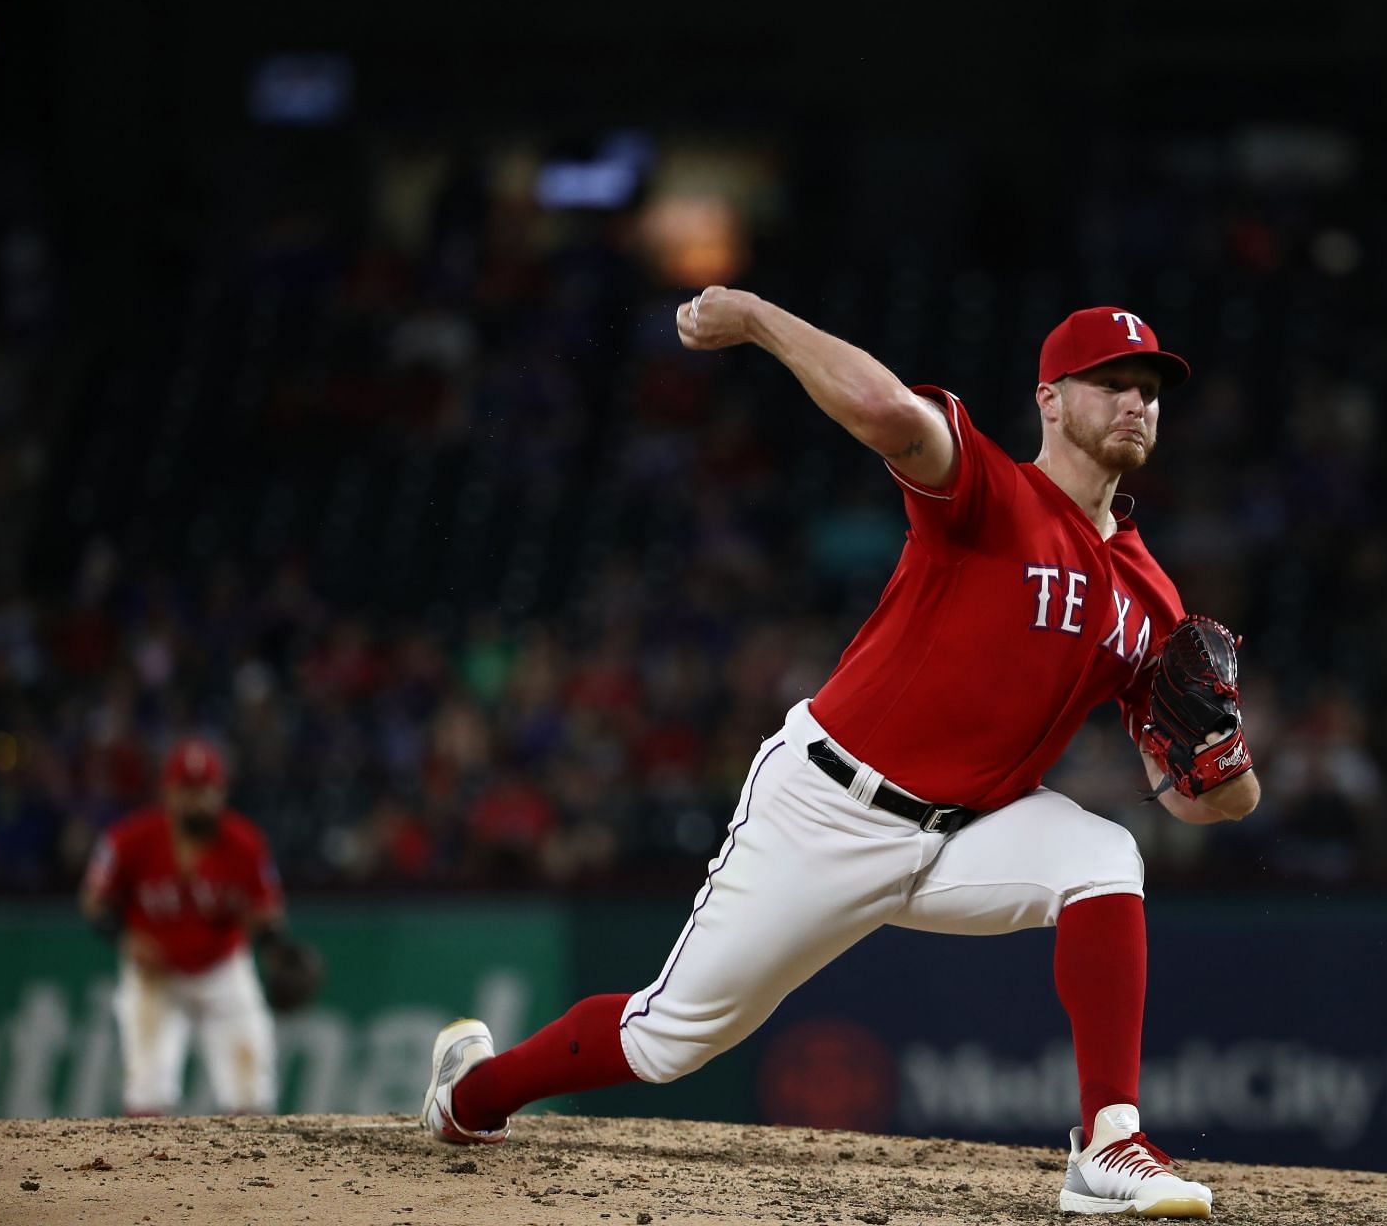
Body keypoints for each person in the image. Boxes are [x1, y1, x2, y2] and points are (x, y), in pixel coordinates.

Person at [420, 290, 1261, 1219]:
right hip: (828, 807)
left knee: (1108, 858)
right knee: (667, 1042)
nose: (1137, 401)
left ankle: (1109, 1143)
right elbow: (889, 414)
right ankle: (471, 1095)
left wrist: (1221, 762)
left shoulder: (1152, 596)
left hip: (967, 837)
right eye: (1111, 382)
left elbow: (1199, 799)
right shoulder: (991, 493)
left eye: (1149, 387)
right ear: (1051, 401)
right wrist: (751, 315)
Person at [80, 736, 285, 1114]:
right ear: (168, 791)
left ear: (221, 790)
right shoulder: (130, 839)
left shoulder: (245, 842)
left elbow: (266, 909)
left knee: (252, 1094)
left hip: (223, 970)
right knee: (147, 1094)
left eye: (206, 789)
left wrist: (275, 947)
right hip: (155, 977)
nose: (199, 800)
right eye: (189, 790)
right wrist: (124, 936)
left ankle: (257, 1175)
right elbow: (94, 900)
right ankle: (147, 1175)